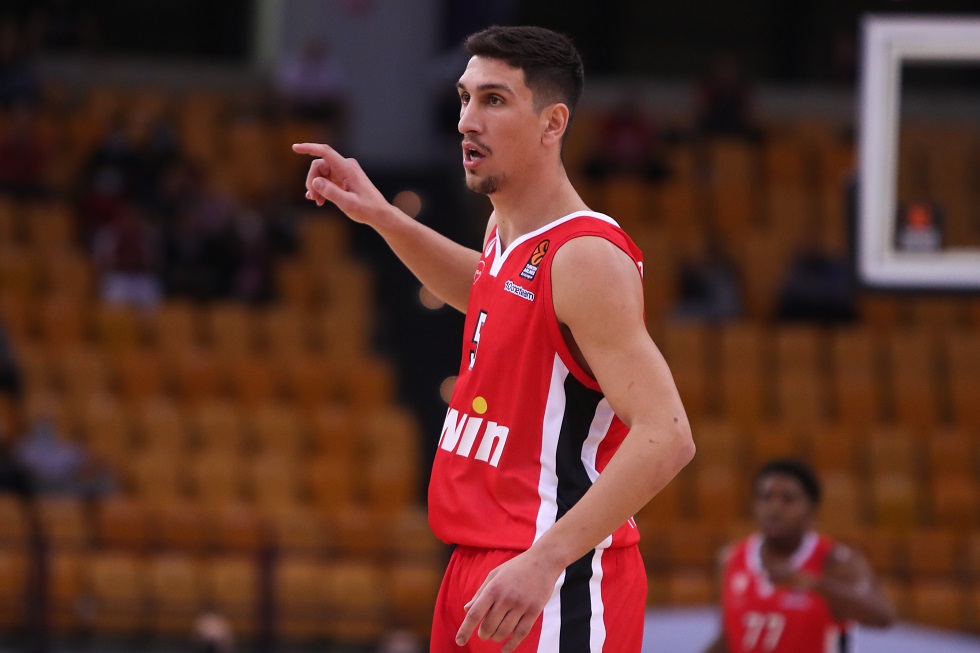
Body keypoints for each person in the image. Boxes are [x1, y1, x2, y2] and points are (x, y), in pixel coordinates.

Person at [294, 24, 695, 653]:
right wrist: (383, 216)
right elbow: (487, 290)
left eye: (494, 100)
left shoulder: (586, 255)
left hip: (551, 575)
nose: (466, 121)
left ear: (552, 123)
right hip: (482, 563)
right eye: (464, 98)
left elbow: (667, 435)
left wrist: (546, 560)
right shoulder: (506, 232)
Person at [703, 458, 894, 653]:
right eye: (765, 497)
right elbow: (730, 636)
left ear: (811, 508)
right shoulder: (731, 559)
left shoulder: (836, 560)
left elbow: (882, 617)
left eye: (788, 499)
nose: (774, 508)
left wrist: (813, 584)